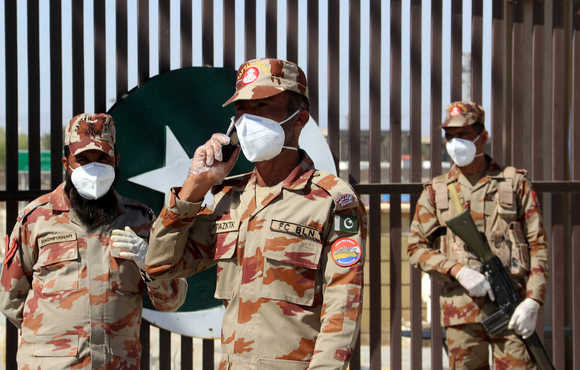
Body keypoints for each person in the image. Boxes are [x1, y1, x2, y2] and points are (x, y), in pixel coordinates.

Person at [145, 58, 367, 369]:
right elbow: (160, 265)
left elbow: (343, 303)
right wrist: (195, 187)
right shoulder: (229, 199)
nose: (248, 119)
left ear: (299, 119)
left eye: (263, 106)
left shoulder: (331, 199)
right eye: (241, 109)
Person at [0, 113, 187, 369]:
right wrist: (53, 336)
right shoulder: (36, 219)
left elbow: (171, 301)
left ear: (116, 161)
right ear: (66, 163)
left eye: (102, 159)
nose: (94, 168)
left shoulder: (141, 220)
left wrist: (149, 265)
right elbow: (11, 298)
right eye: (83, 159)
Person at [407, 102, 549, 369]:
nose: (455, 143)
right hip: (461, 313)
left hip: (512, 306)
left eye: (463, 135)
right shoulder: (436, 190)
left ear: (483, 137)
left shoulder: (514, 183)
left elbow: (538, 245)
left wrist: (533, 300)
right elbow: (416, 248)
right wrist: (458, 271)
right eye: (449, 137)